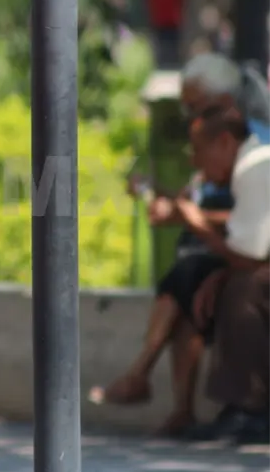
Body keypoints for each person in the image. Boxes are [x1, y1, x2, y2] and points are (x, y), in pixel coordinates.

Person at [90, 52, 270, 436]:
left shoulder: (255, 152)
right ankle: (177, 404)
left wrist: (197, 225)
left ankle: (240, 406)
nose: (188, 116)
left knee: (226, 284)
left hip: (249, 250)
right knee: (191, 286)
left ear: (222, 107)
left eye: (194, 106)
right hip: (242, 246)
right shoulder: (227, 148)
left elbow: (251, 236)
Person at [176, 106, 270, 443]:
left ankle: (249, 408)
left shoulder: (253, 168)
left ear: (226, 142)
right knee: (229, 282)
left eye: (200, 151)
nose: (196, 163)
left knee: (242, 290)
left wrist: (198, 225)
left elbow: (250, 256)